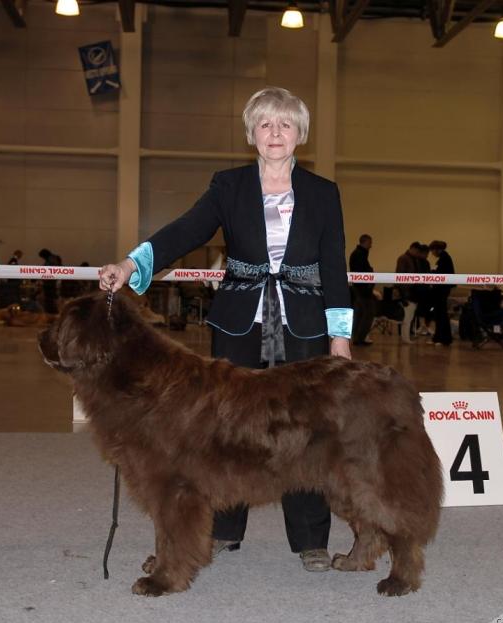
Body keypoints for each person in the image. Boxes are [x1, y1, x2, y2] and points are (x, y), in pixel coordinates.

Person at [98, 87, 353, 573]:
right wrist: (132, 264)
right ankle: (223, 531)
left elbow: (334, 266)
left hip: (304, 322)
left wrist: (338, 336)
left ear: (300, 133)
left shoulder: (324, 193)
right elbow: (185, 230)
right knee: (226, 426)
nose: (274, 134)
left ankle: (309, 538)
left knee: (307, 430)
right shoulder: (227, 186)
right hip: (239, 320)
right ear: (250, 134)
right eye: (264, 124)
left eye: (284, 125)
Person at [349, 234, 375, 346]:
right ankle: (360, 338)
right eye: (370, 243)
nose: (371, 245)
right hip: (363, 290)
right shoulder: (360, 255)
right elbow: (362, 273)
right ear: (365, 242)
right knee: (368, 313)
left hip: (359, 289)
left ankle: (357, 338)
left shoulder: (358, 254)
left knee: (359, 314)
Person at [429, 240, 455, 346]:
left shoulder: (444, 259)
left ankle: (441, 338)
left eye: (432, 250)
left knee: (441, 314)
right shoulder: (444, 258)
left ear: (437, 249)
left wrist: (432, 273)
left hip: (441, 290)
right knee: (441, 313)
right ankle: (441, 337)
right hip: (443, 290)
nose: (432, 253)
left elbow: (441, 274)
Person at [395, 242, 421, 344]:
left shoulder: (414, 259)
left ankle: (405, 336)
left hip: (411, 290)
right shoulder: (403, 258)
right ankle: (404, 337)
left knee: (408, 318)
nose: (418, 253)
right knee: (405, 318)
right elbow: (399, 274)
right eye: (417, 251)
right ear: (412, 248)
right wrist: (401, 290)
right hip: (405, 291)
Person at [415, 243, 433, 336]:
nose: (427, 255)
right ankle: (422, 326)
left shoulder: (426, 262)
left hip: (426, 289)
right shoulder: (417, 262)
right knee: (421, 308)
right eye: (426, 253)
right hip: (420, 289)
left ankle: (426, 326)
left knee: (429, 308)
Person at [38, 248, 62, 313]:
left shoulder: (51, 260)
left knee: (50, 299)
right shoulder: (54, 259)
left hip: (50, 283)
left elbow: (50, 271)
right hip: (51, 282)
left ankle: (51, 312)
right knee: (51, 299)